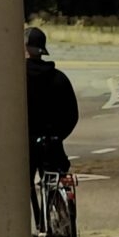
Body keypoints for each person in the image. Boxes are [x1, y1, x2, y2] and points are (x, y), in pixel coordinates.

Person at [25, 27, 79, 175]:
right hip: (52, 143)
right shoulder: (59, 78)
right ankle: (58, 195)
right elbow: (72, 114)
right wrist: (57, 136)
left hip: (25, 143)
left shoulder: (17, 79)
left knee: (20, 179)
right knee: (55, 175)